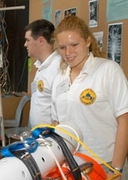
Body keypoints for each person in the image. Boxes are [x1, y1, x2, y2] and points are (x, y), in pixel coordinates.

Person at [51, 16, 128, 179]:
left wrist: (116, 169)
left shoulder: (108, 70)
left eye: (74, 45)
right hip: (70, 165)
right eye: (62, 47)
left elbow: (125, 120)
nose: (68, 52)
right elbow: (56, 122)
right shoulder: (59, 78)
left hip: (103, 164)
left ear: (87, 41)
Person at [24, 19, 61, 127]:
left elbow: (60, 112)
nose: (25, 44)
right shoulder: (41, 66)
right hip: (38, 135)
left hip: (50, 137)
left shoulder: (57, 68)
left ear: (41, 41)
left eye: (28, 40)